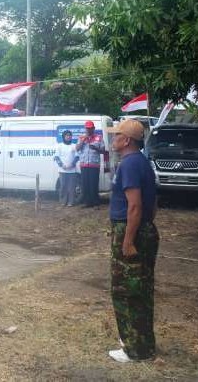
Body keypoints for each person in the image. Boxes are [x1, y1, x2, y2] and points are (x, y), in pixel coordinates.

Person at [105, 119, 159, 363]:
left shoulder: (129, 164)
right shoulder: (141, 162)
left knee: (126, 290)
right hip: (143, 229)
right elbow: (152, 204)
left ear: (126, 140)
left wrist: (128, 240)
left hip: (130, 230)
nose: (112, 139)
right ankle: (140, 341)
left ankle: (134, 348)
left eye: (116, 135)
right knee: (141, 288)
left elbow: (135, 206)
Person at [76, 120, 105, 207]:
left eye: (90, 128)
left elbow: (103, 151)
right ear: (85, 129)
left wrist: (96, 148)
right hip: (84, 164)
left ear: (93, 128)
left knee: (93, 184)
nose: (88, 130)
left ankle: (95, 203)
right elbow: (77, 148)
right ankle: (87, 203)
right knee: (85, 184)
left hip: (94, 164)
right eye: (87, 128)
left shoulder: (99, 137)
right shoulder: (81, 138)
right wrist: (83, 140)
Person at [54, 130, 80, 206]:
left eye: (70, 135)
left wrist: (72, 164)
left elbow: (77, 157)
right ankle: (63, 201)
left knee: (71, 187)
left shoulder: (74, 145)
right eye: (67, 135)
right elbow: (56, 157)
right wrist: (62, 165)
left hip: (72, 170)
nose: (68, 137)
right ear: (63, 137)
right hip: (62, 170)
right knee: (63, 186)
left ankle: (71, 202)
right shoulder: (59, 145)